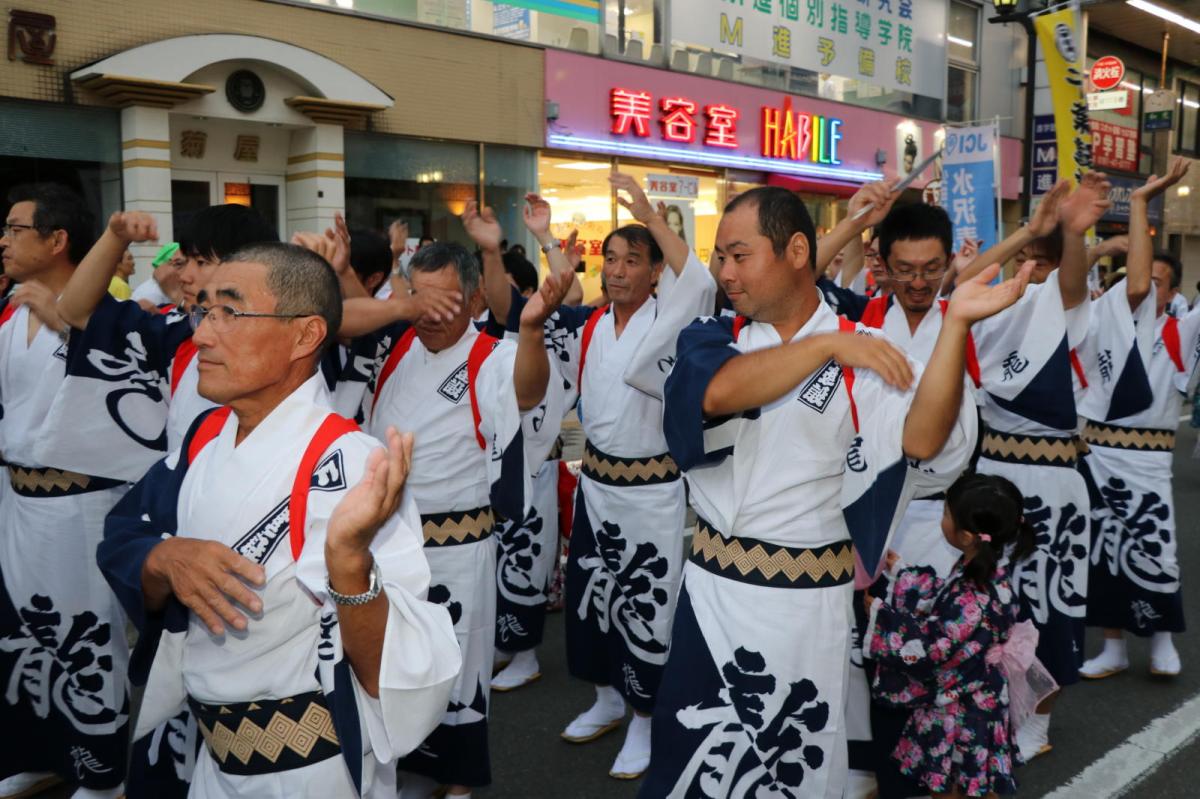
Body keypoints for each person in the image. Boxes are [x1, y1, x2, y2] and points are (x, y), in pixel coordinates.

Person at [640, 186, 1027, 798]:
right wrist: (826, 346)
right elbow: (717, 392)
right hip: (713, 596)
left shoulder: (862, 349)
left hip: (807, 604)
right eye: (721, 258)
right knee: (692, 772)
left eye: (739, 256)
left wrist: (955, 325)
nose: (725, 273)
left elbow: (922, 438)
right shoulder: (715, 333)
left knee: (793, 773)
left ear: (796, 251)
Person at [97, 242, 462, 798]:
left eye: (230, 311)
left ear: (305, 335)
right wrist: (162, 559)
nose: (202, 335)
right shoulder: (205, 437)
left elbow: (388, 671)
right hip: (212, 765)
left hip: (310, 772)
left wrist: (348, 562)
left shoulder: (348, 462)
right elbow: (126, 532)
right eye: (203, 311)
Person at [481, 172, 717, 780]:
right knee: (594, 597)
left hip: (652, 492)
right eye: (610, 259)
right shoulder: (589, 326)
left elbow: (701, 282)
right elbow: (548, 300)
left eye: (632, 261)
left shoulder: (672, 320)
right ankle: (607, 699)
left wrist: (650, 214)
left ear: (656, 271)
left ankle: (645, 717)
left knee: (646, 604)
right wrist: (543, 237)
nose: (617, 271)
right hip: (596, 485)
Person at [352, 240, 569, 798]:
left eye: (443, 301)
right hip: (389, 544)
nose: (428, 313)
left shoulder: (490, 355)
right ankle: (408, 770)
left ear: (474, 301)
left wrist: (533, 330)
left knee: (455, 669)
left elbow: (527, 392)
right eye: (417, 297)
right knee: (395, 667)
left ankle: (457, 785)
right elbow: (345, 314)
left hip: (457, 546)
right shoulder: (399, 344)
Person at [959, 174, 1111, 761]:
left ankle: (1038, 722)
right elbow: (960, 286)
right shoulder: (993, 308)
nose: (1031, 271)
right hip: (992, 474)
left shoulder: (1063, 307)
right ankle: (996, 709)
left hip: (1052, 481)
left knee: (1049, 605)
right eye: (1023, 260)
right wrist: (1025, 236)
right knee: (990, 602)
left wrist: (1073, 233)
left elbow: (1069, 286)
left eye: (1040, 263)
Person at [0, 184, 130, 799]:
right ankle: (41, 754)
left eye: (15, 229)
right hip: (18, 498)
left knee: (86, 633)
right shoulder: (10, 310)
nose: (4, 240)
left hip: (81, 500)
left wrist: (61, 317)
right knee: (23, 630)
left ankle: (103, 773)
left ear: (57, 240)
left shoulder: (101, 312)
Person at [1076, 160, 1193, 680]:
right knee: (1103, 552)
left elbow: (1141, 285)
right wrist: (1105, 245)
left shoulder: (1183, 331)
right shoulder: (1103, 317)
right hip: (1099, 453)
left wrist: (1141, 204)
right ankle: (1114, 647)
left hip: (1149, 460)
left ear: (1174, 293)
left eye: (1160, 283)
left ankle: (1162, 641)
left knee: (1156, 549)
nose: (1146, 287)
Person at [463, 194, 582, 694]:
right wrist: (491, 250)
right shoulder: (506, 327)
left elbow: (568, 290)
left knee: (526, 558)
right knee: (496, 556)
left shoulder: (560, 324)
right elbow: (499, 299)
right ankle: (503, 644)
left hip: (537, 460)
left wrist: (544, 238)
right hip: (497, 458)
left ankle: (526, 653)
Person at [864, 474, 1037, 798]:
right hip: (983, 698)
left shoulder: (972, 594)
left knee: (948, 782)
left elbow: (933, 647)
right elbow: (944, 594)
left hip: (959, 706)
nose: (942, 519)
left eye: (946, 514)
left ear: (967, 536)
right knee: (975, 778)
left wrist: (881, 616)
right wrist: (902, 572)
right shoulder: (989, 575)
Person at [131, 241, 186, 309]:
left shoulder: (169, 287)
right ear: (164, 265)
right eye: (179, 264)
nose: (187, 270)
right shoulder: (152, 293)